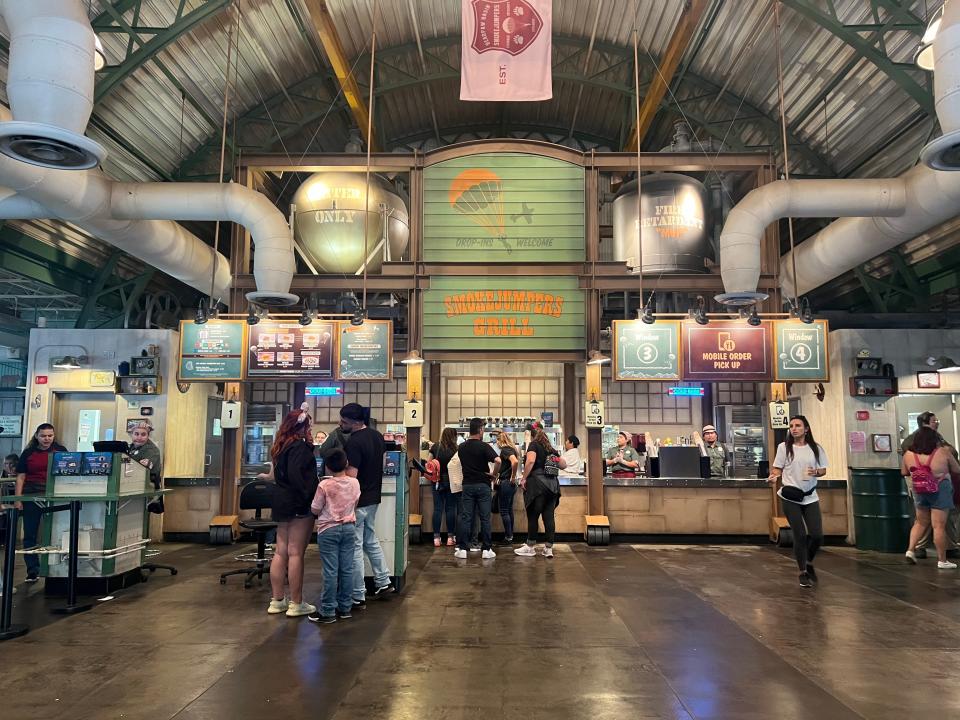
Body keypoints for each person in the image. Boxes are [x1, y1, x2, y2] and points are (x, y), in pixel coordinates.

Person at [267, 403, 319, 617]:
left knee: (281, 551)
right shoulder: (300, 447)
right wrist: (311, 496)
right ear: (302, 427)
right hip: (298, 503)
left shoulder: (280, 446)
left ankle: (277, 600)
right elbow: (299, 477)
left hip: (281, 500)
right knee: (296, 552)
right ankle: (296, 603)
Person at [341, 402, 393, 606]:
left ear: (354, 422)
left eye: (343, 421)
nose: (340, 424)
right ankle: (383, 580)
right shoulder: (377, 436)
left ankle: (357, 593)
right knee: (370, 540)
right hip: (374, 497)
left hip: (358, 500)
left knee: (355, 546)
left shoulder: (353, 442)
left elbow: (352, 477)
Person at [767, 415, 828, 588]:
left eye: (798, 426)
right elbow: (777, 468)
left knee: (817, 535)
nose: (794, 428)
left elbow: (823, 470)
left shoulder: (816, 448)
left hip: (810, 496)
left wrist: (816, 473)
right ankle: (802, 571)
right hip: (790, 496)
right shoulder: (784, 448)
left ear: (806, 429)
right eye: (792, 426)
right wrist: (773, 476)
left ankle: (809, 560)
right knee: (799, 534)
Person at [307, 449, 360, 624]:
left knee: (330, 571)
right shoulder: (355, 483)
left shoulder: (324, 485)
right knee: (347, 569)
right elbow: (355, 503)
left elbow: (315, 508)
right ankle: (345, 608)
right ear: (346, 464)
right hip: (349, 528)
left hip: (328, 530)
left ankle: (328, 610)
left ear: (327, 467)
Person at [900, 412, 959, 558]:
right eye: (934, 420)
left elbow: (904, 471)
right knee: (939, 523)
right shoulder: (939, 446)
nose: (937, 422)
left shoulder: (910, 450)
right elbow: (956, 466)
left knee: (921, 521)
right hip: (939, 486)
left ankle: (912, 550)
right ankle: (942, 558)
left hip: (919, 486)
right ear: (925, 422)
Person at [15, 423, 67, 582]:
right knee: (30, 533)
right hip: (31, 495)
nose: (47, 439)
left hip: (55, 495)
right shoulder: (28, 453)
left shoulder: (61, 451)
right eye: (43, 436)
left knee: (56, 531)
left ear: (54, 435)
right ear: (37, 436)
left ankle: (55, 566)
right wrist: (18, 499)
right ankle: (33, 569)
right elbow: (21, 477)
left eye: (50, 435)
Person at [515, 425, 566, 558]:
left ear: (531, 435)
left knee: (533, 516)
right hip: (553, 486)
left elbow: (531, 461)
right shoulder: (551, 449)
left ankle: (530, 547)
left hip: (537, 485)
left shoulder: (533, 445)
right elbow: (564, 464)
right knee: (548, 517)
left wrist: (524, 478)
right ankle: (548, 549)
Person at [454, 418, 500, 560]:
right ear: (480, 430)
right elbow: (498, 460)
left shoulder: (461, 447)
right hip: (483, 485)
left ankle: (462, 549)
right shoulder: (484, 446)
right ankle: (486, 549)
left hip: (467, 485)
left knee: (466, 517)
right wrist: (494, 475)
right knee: (485, 518)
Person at [429, 428, 458, 547]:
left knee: (437, 509)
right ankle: (450, 538)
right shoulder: (456, 449)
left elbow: (429, 464)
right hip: (451, 482)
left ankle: (436, 538)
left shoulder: (435, 447)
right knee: (450, 509)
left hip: (437, 481)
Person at [127, 421, 164, 514]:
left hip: (148, 489)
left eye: (143, 434)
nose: (139, 437)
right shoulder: (131, 447)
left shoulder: (151, 450)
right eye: (136, 434)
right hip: (133, 487)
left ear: (148, 436)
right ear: (131, 435)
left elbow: (141, 468)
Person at [495, 431, 520, 543]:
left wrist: (513, 476)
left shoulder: (505, 450)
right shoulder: (512, 449)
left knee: (504, 511)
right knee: (509, 510)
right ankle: (510, 535)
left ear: (500, 440)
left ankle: (508, 537)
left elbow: (514, 462)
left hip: (506, 483)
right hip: (510, 485)